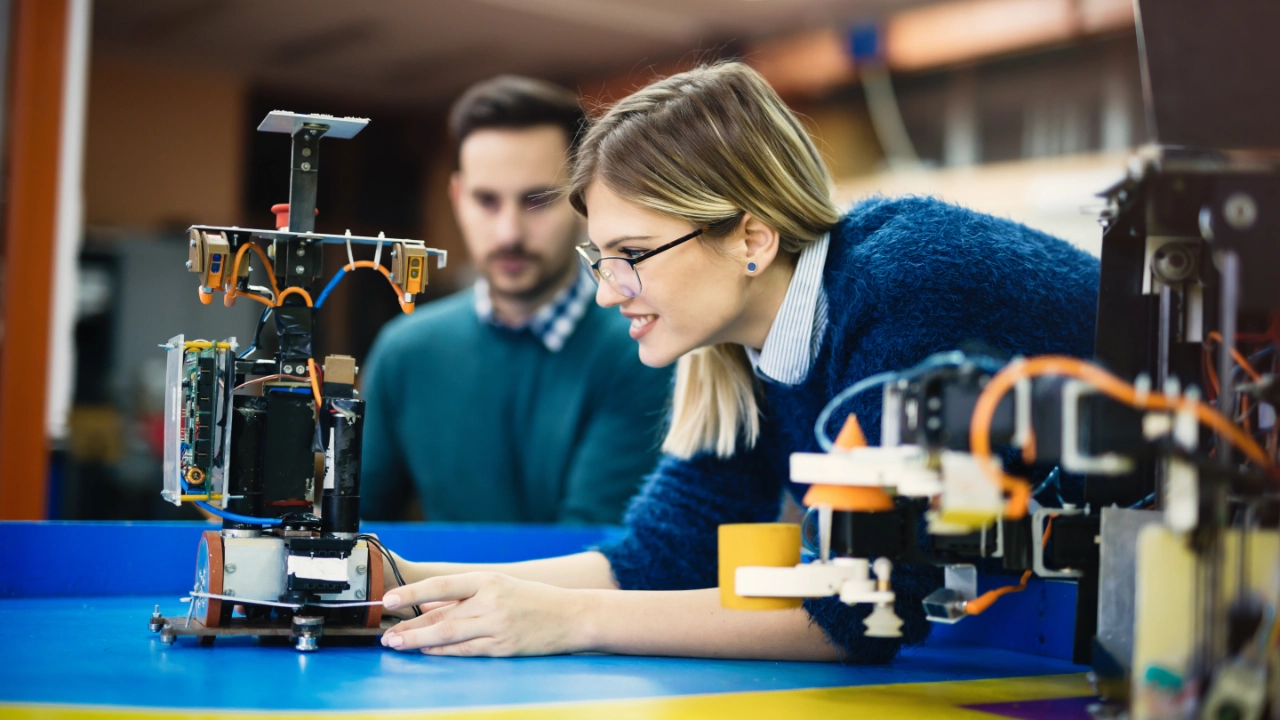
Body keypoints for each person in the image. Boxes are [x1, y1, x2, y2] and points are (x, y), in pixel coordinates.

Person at [374, 62, 1099, 662]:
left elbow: (858, 611)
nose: (606, 293)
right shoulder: (741, 348)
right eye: (602, 258)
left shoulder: (903, 286)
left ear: (752, 239)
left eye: (633, 255)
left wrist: (571, 618)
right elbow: (663, 555)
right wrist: (404, 580)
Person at [360, 76, 671, 523]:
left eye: (537, 200)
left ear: (584, 200)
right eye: (486, 200)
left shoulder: (641, 348)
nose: (509, 233)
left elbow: (595, 542)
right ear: (457, 198)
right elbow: (355, 528)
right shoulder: (405, 352)